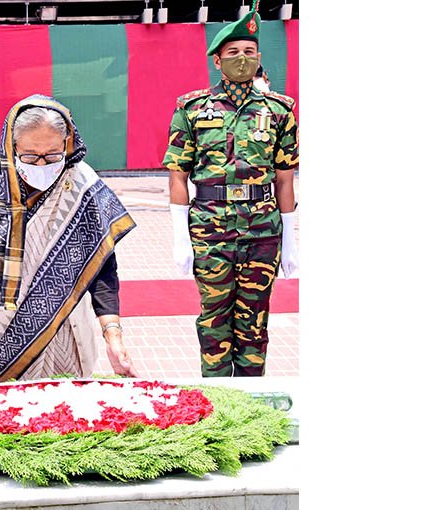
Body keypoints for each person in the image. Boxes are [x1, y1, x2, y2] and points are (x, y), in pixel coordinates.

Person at [0, 94, 139, 383]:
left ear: (67, 144)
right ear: (12, 145)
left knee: (66, 410)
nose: (41, 164)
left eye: (52, 155)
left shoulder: (82, 184)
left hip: (65, 327)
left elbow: (103, 266)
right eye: (29, 156)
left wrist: (113, 335)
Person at [163, 2, 299, 377]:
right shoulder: (191, 109)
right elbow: (178, 175)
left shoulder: (279, 111)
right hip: (210, 230)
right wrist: (180, 238)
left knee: (255, 322)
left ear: (258, 59)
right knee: (213, 320)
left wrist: (290, 241)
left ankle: (252, 402)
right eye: (233, 53)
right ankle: (220, 402)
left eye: (250, 52)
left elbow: (285, 178)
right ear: (217, 61)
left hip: (262, 230)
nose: (243, 59)